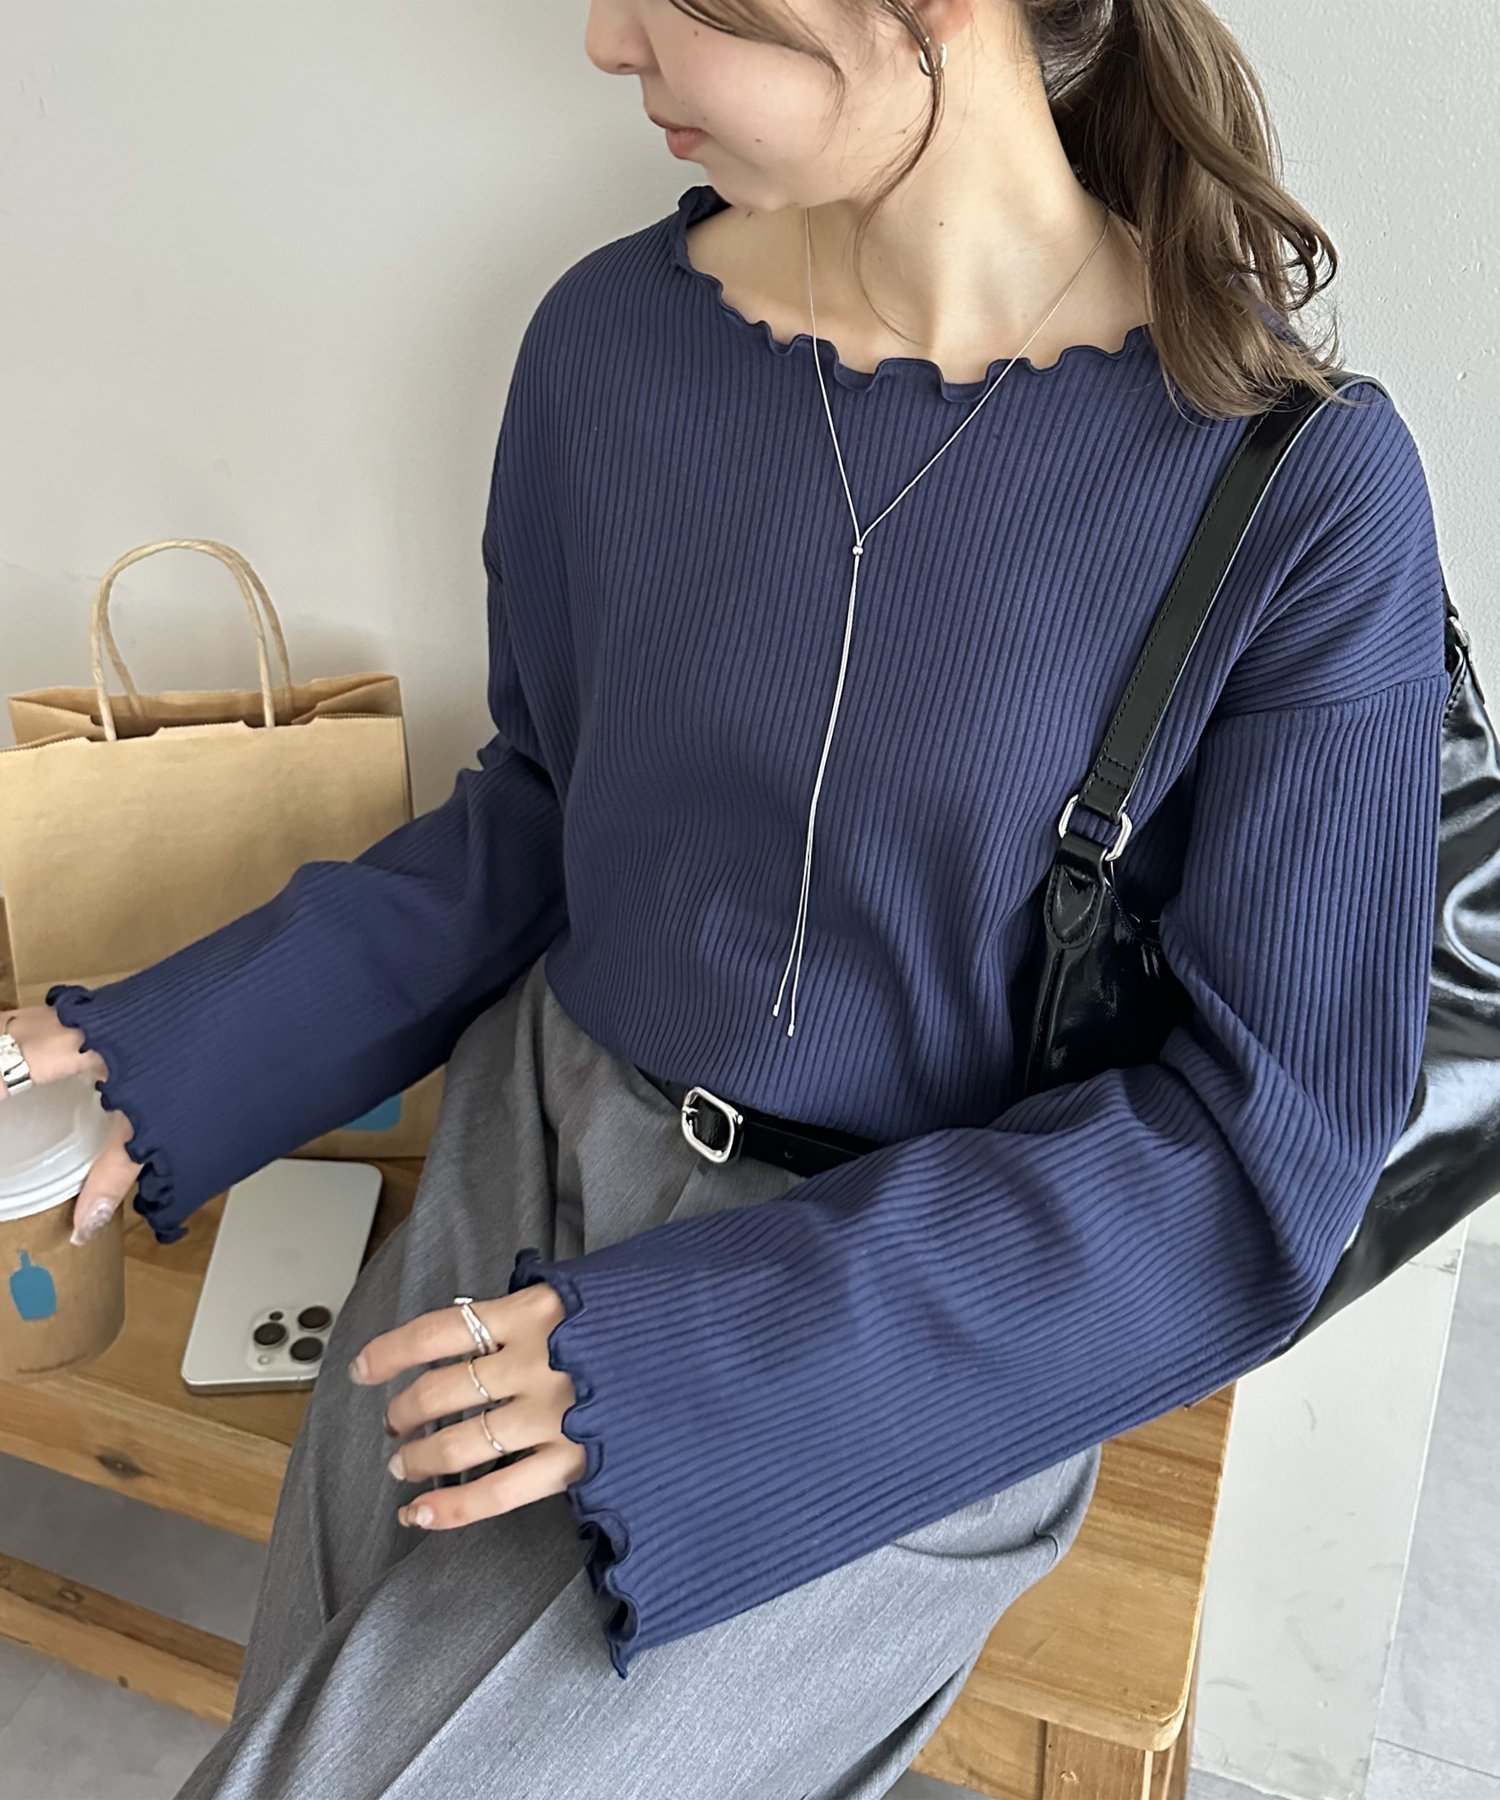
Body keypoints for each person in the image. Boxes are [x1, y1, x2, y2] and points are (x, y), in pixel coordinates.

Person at [2, 0, 1451, 1794]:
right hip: (530, 1156)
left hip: (918, 1312)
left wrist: (708, 1365)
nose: (605, 41)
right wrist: (168, 1050)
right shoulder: (608, 343)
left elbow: (1262, 1152)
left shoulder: (1299, 491)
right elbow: (544, 818)